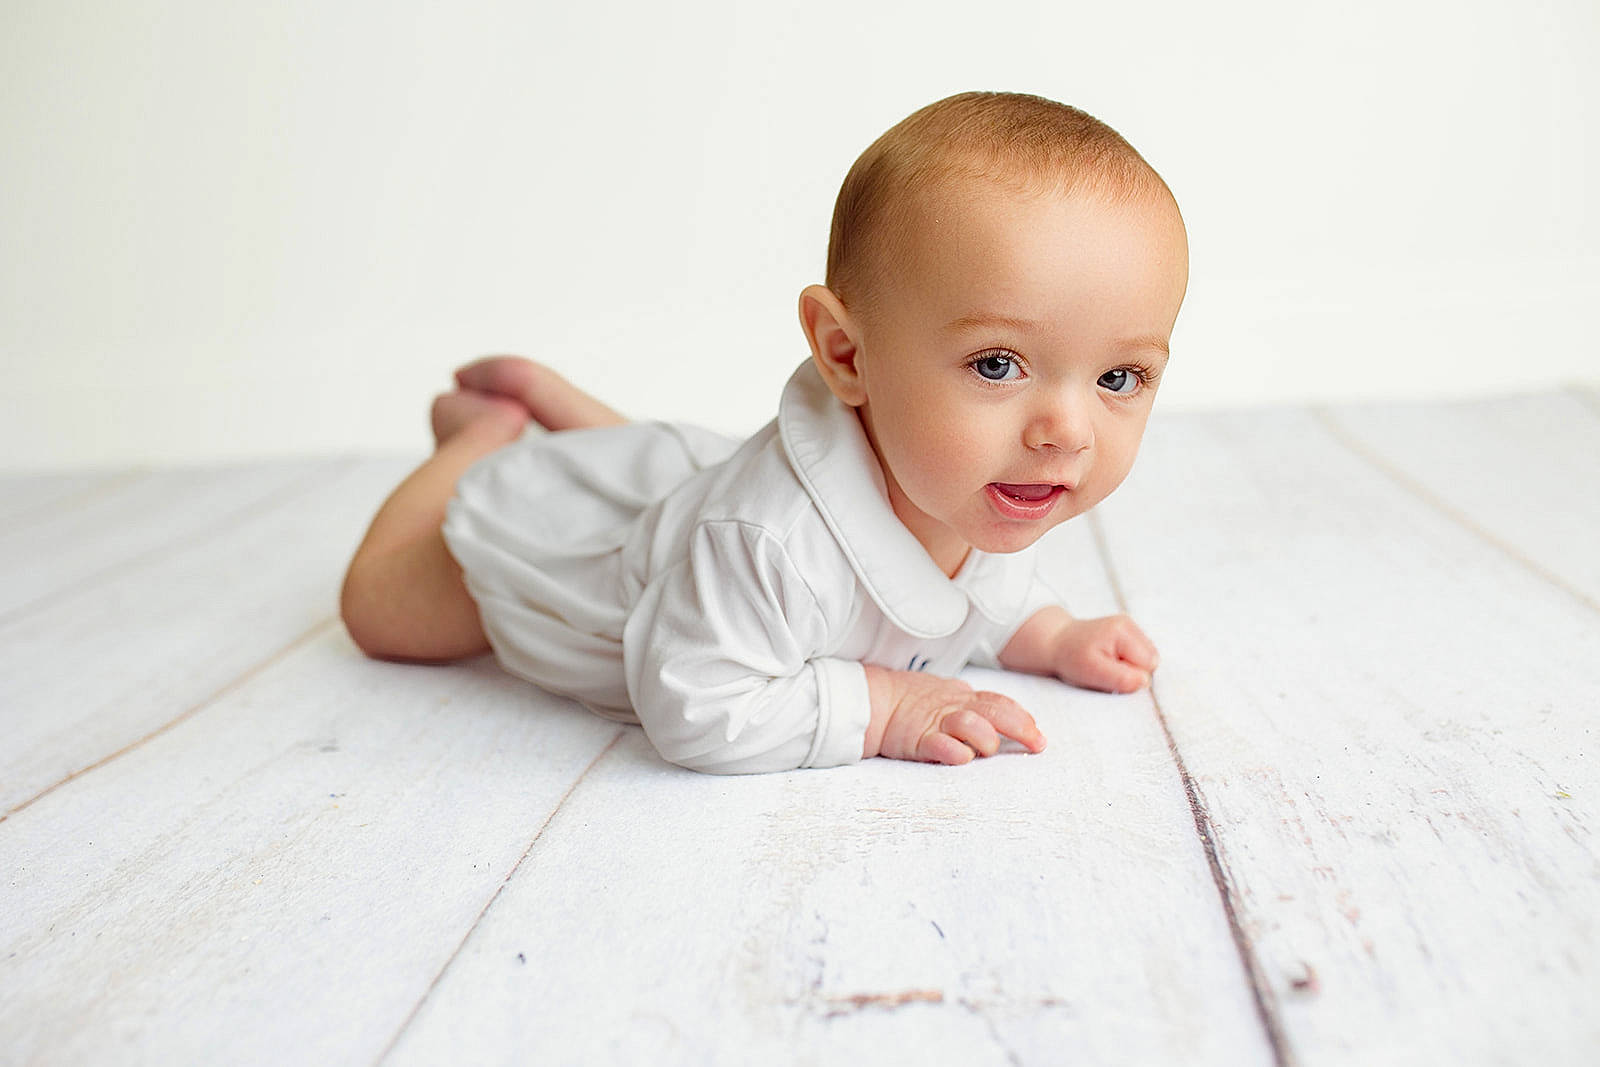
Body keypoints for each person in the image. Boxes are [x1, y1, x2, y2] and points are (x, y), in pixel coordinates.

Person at [340, 91, 1189, 774]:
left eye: (1119, 378)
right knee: (380, 612)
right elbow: (693, 703)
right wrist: (885, 706)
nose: (1066, 430)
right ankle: (484, 433)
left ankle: (559, 404)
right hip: (561, 564)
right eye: (998, 364)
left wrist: (1053, 635)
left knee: (668, 486)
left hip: (690, 504)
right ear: (846, 354)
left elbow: (971, 594)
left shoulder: (980, 481)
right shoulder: (770, 544)